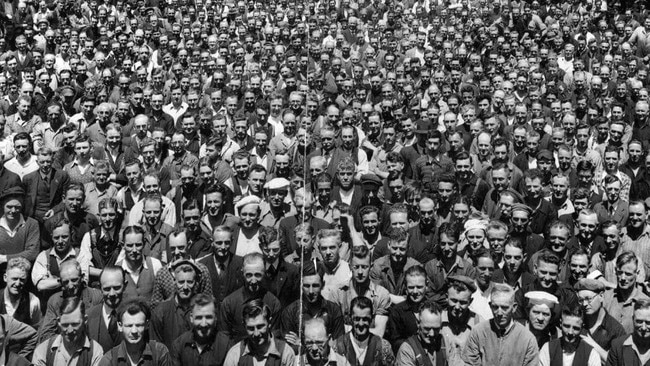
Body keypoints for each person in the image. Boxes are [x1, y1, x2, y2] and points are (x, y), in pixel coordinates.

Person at [462, 283, 539, 366]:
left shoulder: (527, 339)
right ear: (490, 306)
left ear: (514, 307)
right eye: (495, 307)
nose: (499, 313)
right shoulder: (478, 332)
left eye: (504, 308)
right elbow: (470, 363)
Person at [218, 252, 282, 343]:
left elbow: (274, 337)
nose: (253, 280)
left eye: (257, 275)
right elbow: (224, 338)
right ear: (242, 273)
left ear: (265, 273)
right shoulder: (229, 303)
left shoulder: (273, 303)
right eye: (249, 275)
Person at [37, 259, 103, 343]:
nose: (70, 286)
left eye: (74, 280)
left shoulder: (96, 296)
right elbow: (46, 335)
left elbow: (101, 330)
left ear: (82, 277)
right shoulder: (54, 300)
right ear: (60, 282)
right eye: (66, 282)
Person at [32, 297, 104, 366]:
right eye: (65, 325)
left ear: (85, 320)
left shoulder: (95, 352)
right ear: (59, 322)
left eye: (75, 324)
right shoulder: (44, 350)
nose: (70, 330)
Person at [97, 299, 171, 366]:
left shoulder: (159, 353)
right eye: (129, 326)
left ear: (147, 325)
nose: (134, 331)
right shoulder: (109, 360)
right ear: (120, 326)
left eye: (139, 325)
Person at [223, 299, 295, 366]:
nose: (256, 333)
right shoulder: (235, 354)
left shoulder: (286, 353)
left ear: (269, 323)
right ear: (244, 326)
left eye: (260, 326)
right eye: (251, 328)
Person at [170, 293, 231, 366]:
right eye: (199, 318)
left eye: (208, 317)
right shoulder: (179, 345)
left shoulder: (226, 345)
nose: (203, 324)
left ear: (215, 318)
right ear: (191, 318)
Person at [602, 251, 650, 334]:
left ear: (637, 274)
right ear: (615, 272)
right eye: (620, 273)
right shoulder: (606, 298)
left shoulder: (646, 302)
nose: (623, 278)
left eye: (628, 274)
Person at [86, 266, 126, 352]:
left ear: (125, 286)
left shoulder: (136, 314)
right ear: (100, 288)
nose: (112, 294)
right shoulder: (88, 317)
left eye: (116, 288)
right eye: (107, 289)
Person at [395, 300, 447, 365]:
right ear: (418, 323)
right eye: (427, 329)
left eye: (436, 329)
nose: (432, 334)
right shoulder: (407, 350)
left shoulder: (445, 342)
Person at [606, 299, 650, 366]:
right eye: (639, 322)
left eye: (648, 323)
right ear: (632, 319)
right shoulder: (618, 346)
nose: (643, 328)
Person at [0, 257, 41, 328]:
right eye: (14, 279)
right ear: (5, 277)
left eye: (22, 279)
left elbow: (36, 329)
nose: (18, 283)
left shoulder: (33, 301)